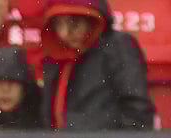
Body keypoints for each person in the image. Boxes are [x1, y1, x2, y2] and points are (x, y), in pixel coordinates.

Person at [40, 0, 155, 129]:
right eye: (58, 24)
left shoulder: (117, 46)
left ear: (92, 20)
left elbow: (137, 113)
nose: (65, 33)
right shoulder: (57, 57)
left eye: (74, 22)